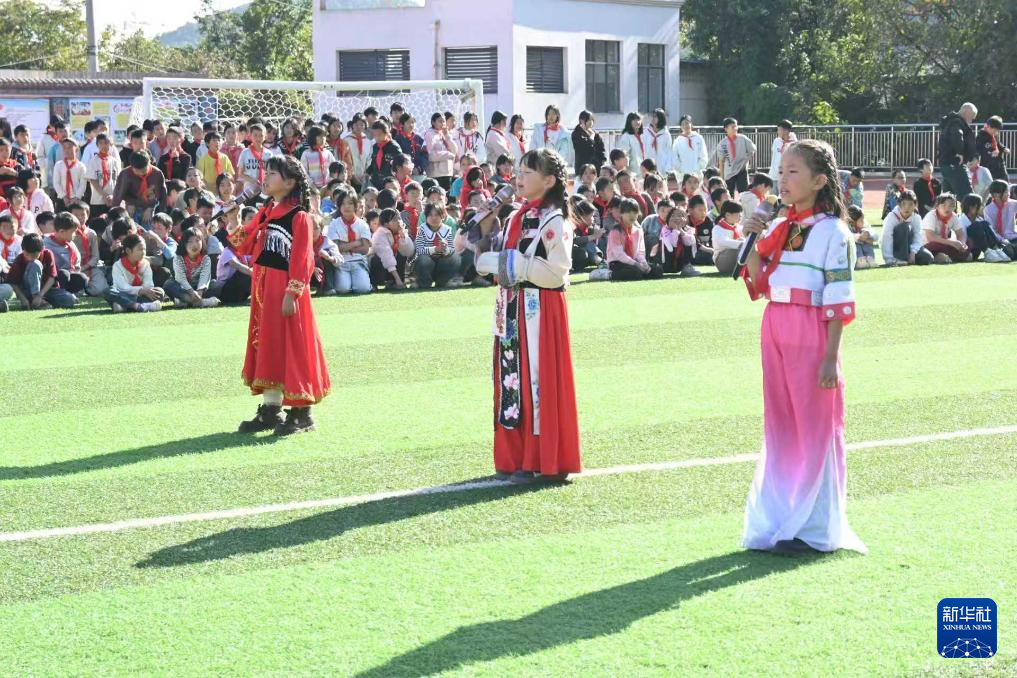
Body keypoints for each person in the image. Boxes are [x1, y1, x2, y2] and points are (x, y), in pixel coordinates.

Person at [740, 138, 867, 555]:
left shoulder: (835, 232)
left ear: (818, 180)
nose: (783, 179)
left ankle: (815, 528)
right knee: (781, 425)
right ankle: (779, 519)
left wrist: (830, 357)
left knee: (815, 426)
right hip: (774, 325)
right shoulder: (779, 227)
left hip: (811, 328)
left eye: (793, 171)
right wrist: (753, 239)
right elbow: (759, 280)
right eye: (781, 172)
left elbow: (838, 297)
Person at [474, 148, 581, 483]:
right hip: (512, 306)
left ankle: (544, 458)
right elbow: (480, 251)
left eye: (527, 173)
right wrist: (485, 225)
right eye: (518, 172)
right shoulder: (514, 215)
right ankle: (516, 456)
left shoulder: (555, 220)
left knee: (537, 378)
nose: (518, 179)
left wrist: (513, 265)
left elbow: (556, 273)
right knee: (512, 379)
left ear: (548, 181)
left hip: (540, 308)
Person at [228, 154, 331, 436]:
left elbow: (302, 258)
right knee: (268, 345)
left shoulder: (299, 217)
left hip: (285, 289)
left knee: (292, 345)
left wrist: (292, 292)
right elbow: (245, 244)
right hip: (264, 289)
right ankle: (271, 408)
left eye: (272, 173)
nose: (266, 178)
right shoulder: (266, 212)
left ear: (289, 182)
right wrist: (233, 219)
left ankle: (301, 412)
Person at [5, 232, 78, 310]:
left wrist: (40, 295)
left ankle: (41, 302)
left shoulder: (48, 254)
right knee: (34, 264)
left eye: (34, 255)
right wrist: (23, 299)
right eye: (27, 255)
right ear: (23, 251)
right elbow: (13, 282)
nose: (30, 258)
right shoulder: (20, 259)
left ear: (42, 250)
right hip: (28, 292)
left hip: (46, 290)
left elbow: (52, 277)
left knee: (71, 299)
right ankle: (35, 299)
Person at [605, 198, 664, 281]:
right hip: (617, 262)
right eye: (628, 212)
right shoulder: (615, 231)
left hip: (634, 261)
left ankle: (639, 273)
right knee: (635, 272)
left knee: (657, 270)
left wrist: (644, 264)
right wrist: (636, 264)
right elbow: (619, 255)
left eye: (635, 212)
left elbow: (640, 252)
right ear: (621, 213)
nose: (632, 215)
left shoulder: (638, 231)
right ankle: (607, 274)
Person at [104, 233, 165, 313]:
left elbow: (149, 284)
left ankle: (124, 306)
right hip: (124, 294)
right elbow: (122, 287)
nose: (143, 252)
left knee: (159, 291)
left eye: (144, 249)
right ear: (128, 251)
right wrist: (140, 290)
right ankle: (137, 306)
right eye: (140, 249)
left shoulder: (145, 263)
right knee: (108, 291)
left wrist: (144, 291)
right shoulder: (118, 265)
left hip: (141, 295)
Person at [327, 190, 373, 294]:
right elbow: (336, 249)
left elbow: (365, 249)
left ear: (356, 205)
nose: (346, 206)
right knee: (343, 289)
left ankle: (364, 282)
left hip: (359, 262)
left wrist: (344, 246)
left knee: (363, 289)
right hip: (341, 263)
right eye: (343, 204)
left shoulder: (362, 224)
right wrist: (357, 243)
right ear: (339, 206)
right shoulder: (334, 224)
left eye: (350, 203)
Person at [165, 227, 220, 308]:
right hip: (184, 288)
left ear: (202, 242)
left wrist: (199, 292)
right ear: (184, 244)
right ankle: (198, 302)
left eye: (197, 241)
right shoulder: (178, 258)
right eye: (190, 242)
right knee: (169, 284)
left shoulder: (206, 258)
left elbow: (205, 277)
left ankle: (185, 302)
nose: (194, 245)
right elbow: (181, 278)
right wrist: (191, 292)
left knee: (215, 285)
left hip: (199, 289)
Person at [112, 152, 167, 227]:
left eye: (143, 170)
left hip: (149, 208)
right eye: (137, 171)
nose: (141, 173)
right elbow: (118, 195)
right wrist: (114, 215)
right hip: (132, 208)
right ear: (132, 167)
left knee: (148, 229)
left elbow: (163, 196)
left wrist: (153, 209)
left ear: (149, 163)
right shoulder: (125, 174)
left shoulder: (157, 173)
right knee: (130, 227)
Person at [414, 202, 461, 288]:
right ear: (426, 217)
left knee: (455, 257)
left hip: (441, 262)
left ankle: (443, 281)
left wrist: (445, 249)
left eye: (437, 215)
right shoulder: (421, 229)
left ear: (442, 216)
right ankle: (423, 283)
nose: (434, 218)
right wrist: (435, 249)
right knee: (424, 259)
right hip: (426, 264)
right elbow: (419, 249)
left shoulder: (447, 229)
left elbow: (451, 249)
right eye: (430, 215)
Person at [937, 102, 978, 197]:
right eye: (972, 117)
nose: (971, 121)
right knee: (967, 195)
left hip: (947, 163)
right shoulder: (956, 122)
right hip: (955, 163)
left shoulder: (949, 122)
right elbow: (957, 135)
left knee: (950, 196)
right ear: (967, 112)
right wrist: (960, 152)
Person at [880, 190, 930, 266]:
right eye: (904, 204)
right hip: (895, 249)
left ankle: (908, 258)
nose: (907, 207)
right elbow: (886, 238)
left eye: (910, 204)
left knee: (927, 257)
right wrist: (889, 259)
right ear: (899, 204)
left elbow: (918, 237)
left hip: (909, 247)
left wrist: (913, 252)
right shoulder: (891, 217)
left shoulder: (917, 217)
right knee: (904, 227)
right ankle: (900, 259)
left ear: (915, 205)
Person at [959, 192, 1012, 263]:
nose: (983, 207)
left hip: (978, 248)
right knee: (976, 225)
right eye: (981, 205)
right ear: (972, 207)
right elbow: (962, 241)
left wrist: (1003, 240)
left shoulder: (979, 219)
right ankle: (988, 252)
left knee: (985, 223)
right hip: (968, 251)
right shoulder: (961, 221)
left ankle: (996, 249)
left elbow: (992, 233)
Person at [369, 207, 414, 289]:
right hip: (379, 266)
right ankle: (374, 283)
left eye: (399, 219)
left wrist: (403, 237)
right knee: (376, 259)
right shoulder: (380, 234)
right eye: (394, 220)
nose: (398, 222)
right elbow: (387, 257)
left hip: (390, 266)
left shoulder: (398, 232)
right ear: (386, 224)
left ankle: (393, 282)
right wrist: (398, 279)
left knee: (401, 255)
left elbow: (409, 252)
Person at [921, 193, 971, 263]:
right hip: (929, 245)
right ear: (937, 206)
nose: (947, 208)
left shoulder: (953, 216)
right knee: (936, 245)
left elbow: (960, 233)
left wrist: (961, 244)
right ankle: (939, 257)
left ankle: (950, 256)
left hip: (945, 243)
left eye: (951, 206)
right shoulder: (931, 216)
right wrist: (951, 242)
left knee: (968, 242)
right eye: (944, 205)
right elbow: (930, 237)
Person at [716, 117, 757, 195]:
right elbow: (721, 161)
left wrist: (746, 160)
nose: (735, 129)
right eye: (732, 127)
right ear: (726, 129)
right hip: (729, 172)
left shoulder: (743, 138)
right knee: (728, 193)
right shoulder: (722, 144)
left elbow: (752, 149)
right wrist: (721, 177)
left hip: (741, 170)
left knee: (744, 193)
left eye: (736, 126)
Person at [85, 133, 121, 217]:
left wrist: (112, 195)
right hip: (98, 200)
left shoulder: (114, 161)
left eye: (106, 143)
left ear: (110, 144)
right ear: (97, 145)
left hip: (111, 199)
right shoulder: (93, 161)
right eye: (101, 143)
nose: (104, 145)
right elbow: (93, 180)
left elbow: (116, 180)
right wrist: (104, 195)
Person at [423, 112, 458, 191]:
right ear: (433, 122)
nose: (442, 123)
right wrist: (447, 155)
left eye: (444, 121)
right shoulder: (429, 134)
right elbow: (430, 154)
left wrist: (447, 136)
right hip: (436, 174)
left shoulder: (444, 134)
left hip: (447, 172)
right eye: (440, 121)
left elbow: (454, 151)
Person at [237, 123, 276, 195]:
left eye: (261, 135)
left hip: (265, 189)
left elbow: (272, 172)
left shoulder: (269, 154)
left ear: (265, 136)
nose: (258, 138)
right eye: (255, 135)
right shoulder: (245, 153)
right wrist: (253, 180)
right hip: (249, 190)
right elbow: (240, 173)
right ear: (250, 136)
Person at [52, 139, 88, 209]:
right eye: (64, 148)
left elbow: (83, 185)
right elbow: (56, 183)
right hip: (62, 199)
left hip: (77, 200)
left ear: (77, 149)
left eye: (69, 147)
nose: (66, 150)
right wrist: (64, 197)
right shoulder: (59, 165)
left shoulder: (81, 166)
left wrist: (76, 198)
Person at [712, 200, 744, 276]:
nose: (741, 215)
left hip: (734, 259)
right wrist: (743, 243)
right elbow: (723, 242)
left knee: (745, 242)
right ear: (728, 215)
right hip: (722, 261)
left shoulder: (738, 227)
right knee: (742, 244)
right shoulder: (718, 228)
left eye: (741, 212)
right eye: (738, 213)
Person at [983, 179, 1017, 249]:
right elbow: (991, 230)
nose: (1009, 194)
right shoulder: (988, 210)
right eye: (1006, 192)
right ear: (996, 195)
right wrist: (1003, 240)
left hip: (1013, 237)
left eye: (1008, 191)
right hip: (998, 240)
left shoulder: (1013, 204)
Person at [571, 110, 606, 175]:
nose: (591, 122)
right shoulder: (576, 133)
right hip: (582, 167)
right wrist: (591, 137)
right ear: (582, 120)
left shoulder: (595, 134)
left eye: (592, 120)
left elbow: (601, 149)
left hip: (596, 167)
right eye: (589, 120)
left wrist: (602, 160)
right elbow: (584, 147)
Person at [975, 115, 1009, 180]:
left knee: (1005, 180)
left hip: (999, 162)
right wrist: (990, 153)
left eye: (997, 130)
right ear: (989, 127)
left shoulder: (994, 135)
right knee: (992, 181)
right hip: (988, 165)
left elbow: (997, 144)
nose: (996, 132)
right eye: (995, 130)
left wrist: (1003, 148)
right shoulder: (980, 137)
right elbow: (979, 150)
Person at [642, 109, 674, 176]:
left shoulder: (666, 134)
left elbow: (669, 152)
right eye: (652, 116)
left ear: (661, 118)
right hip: (648, 165)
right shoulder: (646, 132)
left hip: (661, 166)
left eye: (655, 117)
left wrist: (667, 167)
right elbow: (642, 149)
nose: (653, 118)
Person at [845, 205, 876, 269]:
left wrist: (869, 234)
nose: (863, 221)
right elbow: (846, 236)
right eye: (861, 220)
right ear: (853, 221)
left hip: (865, 246)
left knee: (867, 244)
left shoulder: (864, 224)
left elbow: (876, 236)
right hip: (852, 251)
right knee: (856, 244)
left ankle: (870, 259)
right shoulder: (845, 225)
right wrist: (859, 237)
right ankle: (860, 261)